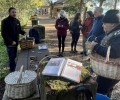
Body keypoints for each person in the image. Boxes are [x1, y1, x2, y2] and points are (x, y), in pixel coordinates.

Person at [90, 9, 120, 96]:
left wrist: (95, 47)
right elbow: (106, 38)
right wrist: (97, 39)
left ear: (112, 24)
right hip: (107, 69)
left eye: (104, 23)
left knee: (100, 89)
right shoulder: (114, 32)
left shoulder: (119, 35)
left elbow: (113, 52)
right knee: (106, 89)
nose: (102, 26)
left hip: (112, 71)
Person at [1, 7, 26, 72]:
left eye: (15, 12)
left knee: (14, 57)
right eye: (13, 12)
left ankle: (14, 69)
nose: (14, 13)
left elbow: (19, 30)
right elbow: (4, 33)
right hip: (10, 44)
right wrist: (11, 41)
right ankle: (13, 72)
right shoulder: (5, 21)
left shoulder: (17, 21)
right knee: (11, 58)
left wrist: (24, 33)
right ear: (9, 12)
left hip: (16, 43)